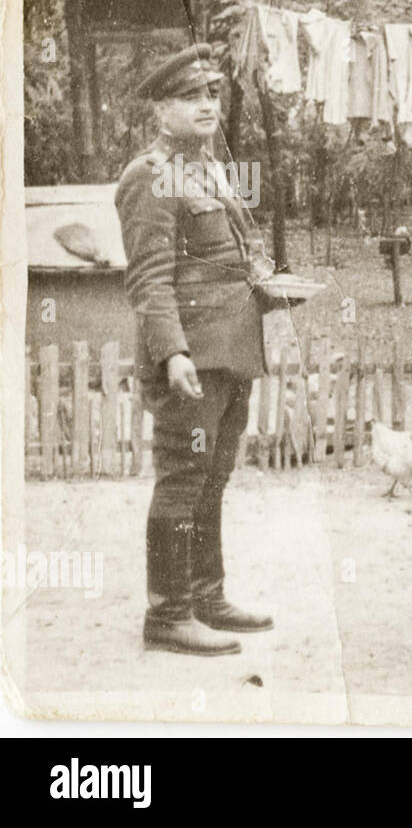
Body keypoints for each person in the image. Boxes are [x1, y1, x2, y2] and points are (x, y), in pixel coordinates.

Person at [117, 43, 273, 656]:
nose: (207, 104)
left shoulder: (210, 168)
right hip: (192, 359)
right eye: (190, 96)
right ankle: (168, 614)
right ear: (161, 108)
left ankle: (207, 598)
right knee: (183, 479)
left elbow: (231, 253)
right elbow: (149, 278)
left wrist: (268, 282)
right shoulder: (150, 175)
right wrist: (173, 353)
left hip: (233, 351)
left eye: (212, 93)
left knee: (214, 479)